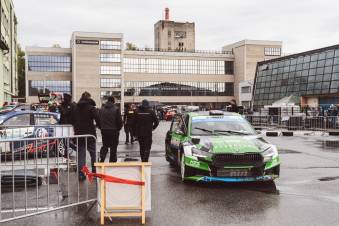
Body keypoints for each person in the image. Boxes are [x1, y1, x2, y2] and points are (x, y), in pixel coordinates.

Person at [71, 92, 101, 179]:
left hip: (79, 135)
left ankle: (81, 174)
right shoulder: (91, 108)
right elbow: (98, 119)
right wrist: (99, 126)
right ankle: (94, 171)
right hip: (90, 134)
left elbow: (72, 120)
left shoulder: (75, 108)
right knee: (93, 153)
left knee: (81, 155)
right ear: (89, 98)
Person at [98, 96, 122, 162]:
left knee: (105, 145)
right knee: (113, 147)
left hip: (104, 130)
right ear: (113, 101)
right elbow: (119, 122)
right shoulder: (116, 109)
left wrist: (101, 128)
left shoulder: (101, 109)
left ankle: (102, 157)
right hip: (114, 131)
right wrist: (118, 129)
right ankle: (112, 162)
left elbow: (99, 121)